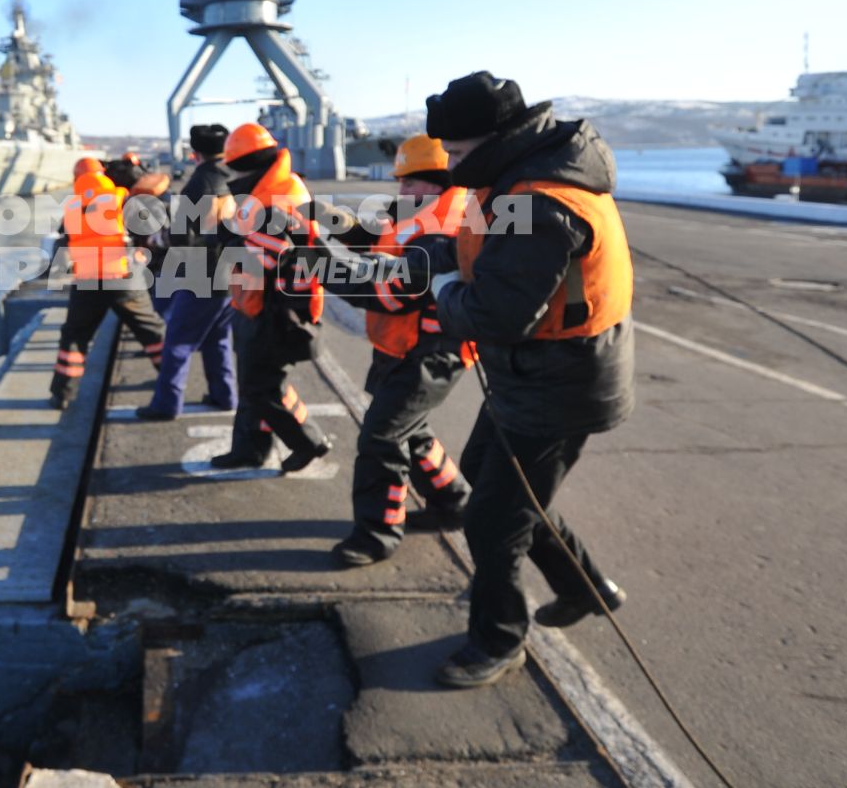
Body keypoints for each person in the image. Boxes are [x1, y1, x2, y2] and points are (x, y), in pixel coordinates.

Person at [425, 72, 635, 689]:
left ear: (493, 141)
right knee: (496, 485)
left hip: (561, 382)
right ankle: (586, 588)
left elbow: (498, 311)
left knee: (492, 520)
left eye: (458, 155)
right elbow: (487, 249)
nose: (451, 168)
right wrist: (440, 260)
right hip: (536, 374)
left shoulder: (544, 198)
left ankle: (498, 642)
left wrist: (443, 295)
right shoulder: (521, 175)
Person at [321, 135, 476, 565]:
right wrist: (337, 223)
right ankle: (454, 501)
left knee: (382, 438)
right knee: (412, 431)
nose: (403, 192)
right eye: (402, 183)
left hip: (428, 353)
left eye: (412, 184)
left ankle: (377, 534)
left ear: (440, 181)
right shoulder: (421, 214)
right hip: (403, 345)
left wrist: (318, 264)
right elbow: (381, 240)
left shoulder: (444, 228)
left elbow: (389, 293)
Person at [207, 122, 331, 472]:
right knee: (255, 383)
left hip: (275, 309)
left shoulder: (279, 197)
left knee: (262, 386)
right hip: (259, 303)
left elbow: (263, 254)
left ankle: (309, 440)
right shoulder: (271, 188)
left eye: (234, 168)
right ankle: (250, 449)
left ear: (246, 165)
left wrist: (225, 242)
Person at [136, 123, 237, 420]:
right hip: (231, 271)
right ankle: (224, 394)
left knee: (178, 341)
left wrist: (158, 240)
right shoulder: (234, 177)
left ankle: (166, 405)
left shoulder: (200, 183)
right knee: (218, 338)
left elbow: (180, 235)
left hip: (200, 272)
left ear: (195, 153)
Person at [50, 158, 166, 410]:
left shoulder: (72, 207)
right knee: (151, 330)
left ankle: (63, 394)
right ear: (104, 174)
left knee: (74, 336)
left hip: (87, 281)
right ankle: (170, 380)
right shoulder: (120, 197)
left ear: (76, 178)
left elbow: (65, 241)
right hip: (124, 277)